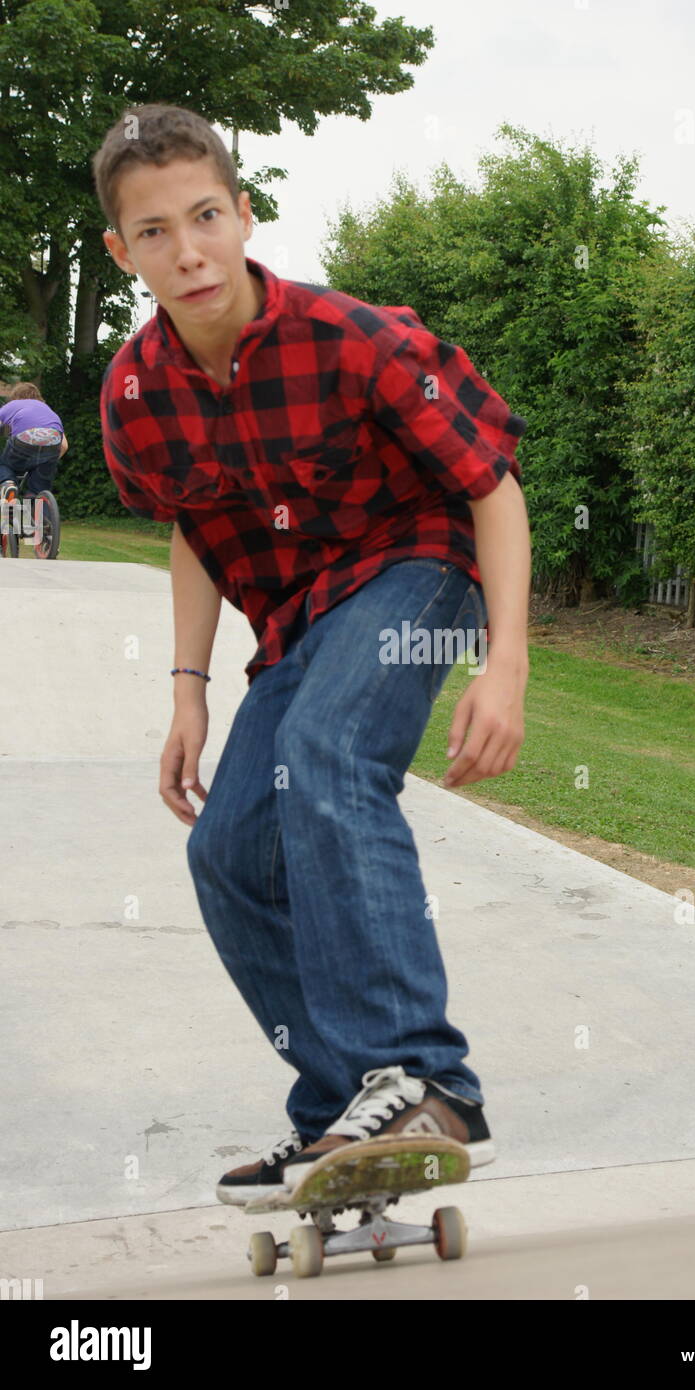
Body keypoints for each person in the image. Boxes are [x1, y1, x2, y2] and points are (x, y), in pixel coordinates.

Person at [94, 103, 531, 1204]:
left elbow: (489, 485)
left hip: (414, 563)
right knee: (229, 854)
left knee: (331, 752)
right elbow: (192, 527)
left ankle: (427, 1081)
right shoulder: (135, 396)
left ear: (243, 214)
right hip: (297, 616)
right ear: (122, 251)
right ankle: (350, 1107)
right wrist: (186, 690)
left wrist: (506, 663)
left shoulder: (351, 338)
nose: (186, 251)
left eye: (204, 217)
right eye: (154, 233)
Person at [0, 384, 68, 531]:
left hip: (24, 439)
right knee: (37, 490)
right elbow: (64, 446)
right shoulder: (48, 411)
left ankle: (8, 484)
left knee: (4, 465)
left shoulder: (12, 405)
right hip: (53, 440)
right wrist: (47, 462)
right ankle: (39, 529)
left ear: (15, 396)